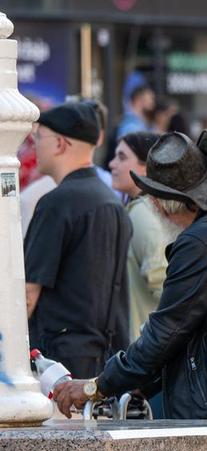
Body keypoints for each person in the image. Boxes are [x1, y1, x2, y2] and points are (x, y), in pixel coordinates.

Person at [51, 131, 207, 420]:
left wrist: (97, 387)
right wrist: (138, 381)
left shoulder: (200, 242)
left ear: (159, 203)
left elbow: (164, 332)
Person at [24, 102, 130, 379]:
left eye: (39, 137)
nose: (35, 146)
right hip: (107, 359)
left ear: (60, 144)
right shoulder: (112, 202)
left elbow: (28, 293)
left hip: (58, 365)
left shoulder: (56, 204)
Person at [107, 131, 171, 341]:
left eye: (122, 157)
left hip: (141, 343)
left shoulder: (143, 213)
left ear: (146, 167)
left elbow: (163, 284)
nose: (112, 164)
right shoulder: (143, 208)